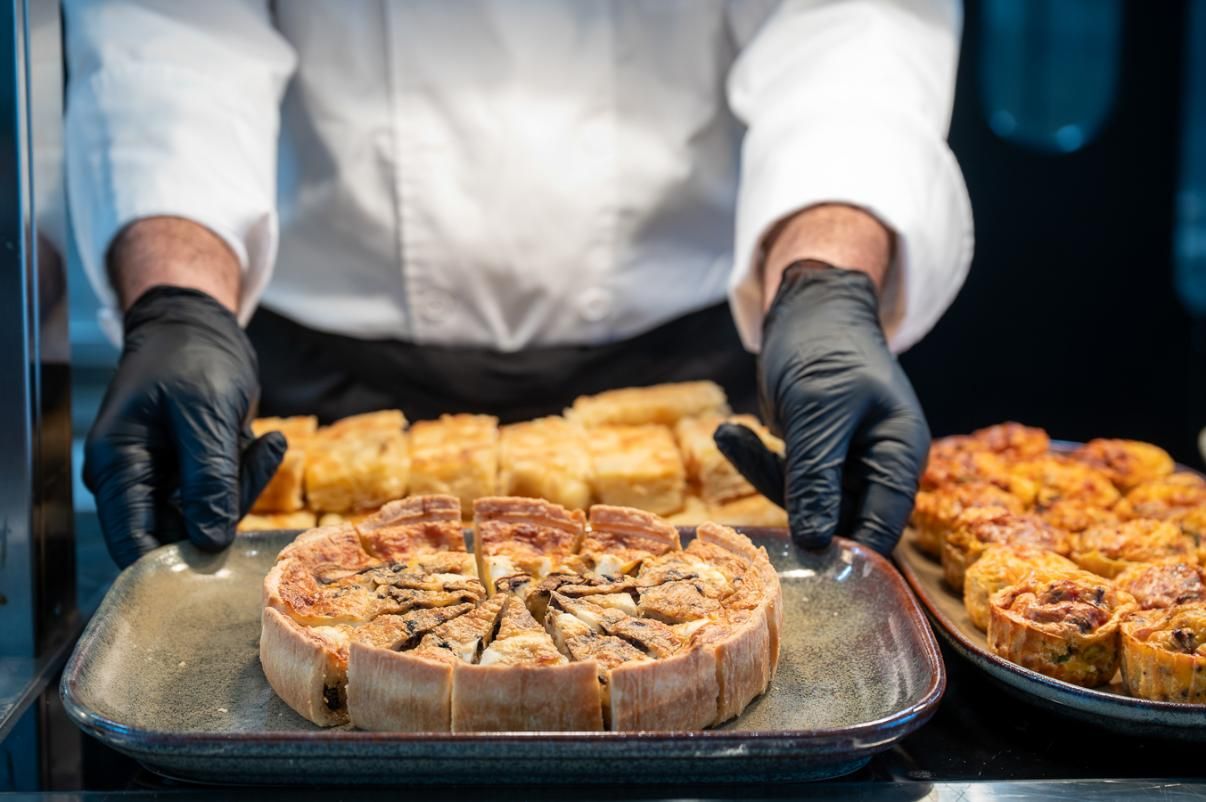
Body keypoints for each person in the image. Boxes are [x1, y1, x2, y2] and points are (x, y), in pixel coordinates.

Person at [65, 0, 973, 568]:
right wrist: (179, 298)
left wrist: (825, 275)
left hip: (692, 403)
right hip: (316, 389)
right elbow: (171, 25)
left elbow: (846, 19)